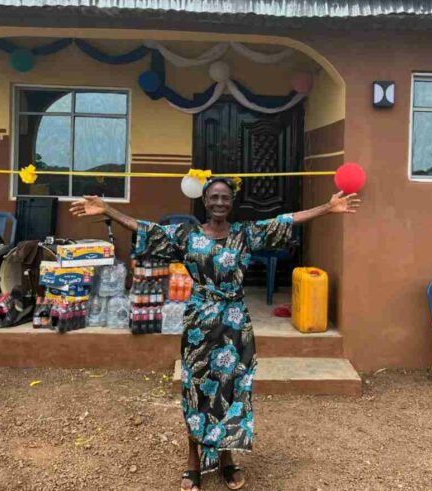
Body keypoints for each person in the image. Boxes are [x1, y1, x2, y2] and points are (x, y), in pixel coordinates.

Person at [70, 179, 359, 490]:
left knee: (232, 389)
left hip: (235, 325)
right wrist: (109, 209)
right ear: (205, 202)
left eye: (225, 198)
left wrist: (328, 208)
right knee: (196, 389)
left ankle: (227, 458)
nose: (220, 202)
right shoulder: (186, 236)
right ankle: (193, 460)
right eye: (214, 197)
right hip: (199, 324)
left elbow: (285, 221)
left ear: (231, 203)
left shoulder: (244, 234)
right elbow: (147, 229)